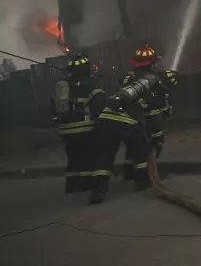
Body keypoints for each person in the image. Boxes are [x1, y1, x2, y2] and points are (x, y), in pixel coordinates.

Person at [89, 45, 165, 204]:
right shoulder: (151, 81)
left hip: (106, 118)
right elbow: (153, 112)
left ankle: (97, 191)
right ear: (152, 64)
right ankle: (142, 182)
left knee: (104, 156)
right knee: (142, 152)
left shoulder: (126, 78)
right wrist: (157, 137)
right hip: (128, 121)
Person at [50, 53, 106, 193]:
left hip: (65, 130)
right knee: (88, 155)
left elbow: (52, 107)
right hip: (85, 128)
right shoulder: (90, 84)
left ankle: (71, 186)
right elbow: (99, 105)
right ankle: (85, 184)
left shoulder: (62, 86)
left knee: (73, 157)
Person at [120, 68, 177, 181]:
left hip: (134, 123)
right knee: (147, 151)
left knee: (133, 150)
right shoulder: (160, 93)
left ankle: (129, 173)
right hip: (148, 126)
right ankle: (146, 177)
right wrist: (158, 138)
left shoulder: (147, 86)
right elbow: (159, 114)